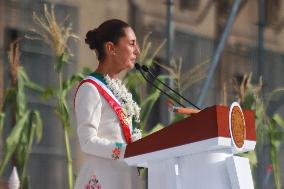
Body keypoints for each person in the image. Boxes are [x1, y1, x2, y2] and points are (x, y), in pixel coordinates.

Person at [74, 19, 142, 189]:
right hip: (103, 179)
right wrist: (127, 151)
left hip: (125, 178)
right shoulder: (90, 88)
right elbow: (88, 141)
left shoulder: (119, 90)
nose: (138, 51)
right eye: (132, 44)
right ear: (111, 48)